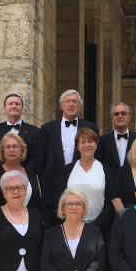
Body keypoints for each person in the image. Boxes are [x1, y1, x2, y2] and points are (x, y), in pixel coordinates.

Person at [38, 90, 99, 224]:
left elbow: (95, 156)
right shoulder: (47, 128)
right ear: (61, 106)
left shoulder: (90, 126)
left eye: (75, 102)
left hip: (81, 182)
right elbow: (41, 160)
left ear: (79, 106)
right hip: (53, 184)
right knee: (53, 225)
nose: (71, 104)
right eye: (68, 101)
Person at [0, 93, 40, 176]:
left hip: (25, 179)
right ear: (5, 108)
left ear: (22, 108)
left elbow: (37, 157)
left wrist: (23, 173)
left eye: (17, 104)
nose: (14, 106)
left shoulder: (35, 131)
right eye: (10, 104)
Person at [0, 133, 41, 215]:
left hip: (30, 223)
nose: (11, 150)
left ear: (22, 150)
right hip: (2, 223)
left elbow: (36, 201)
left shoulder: (30, 172)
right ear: (3, 151)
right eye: (8, 147)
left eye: (15, 146)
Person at [97, 102, 136, 171]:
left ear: (129, 117)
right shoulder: (102, 140)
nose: (120, 116)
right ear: (112, 118)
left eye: (123, 113)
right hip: (110, 181)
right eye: (116, 114)